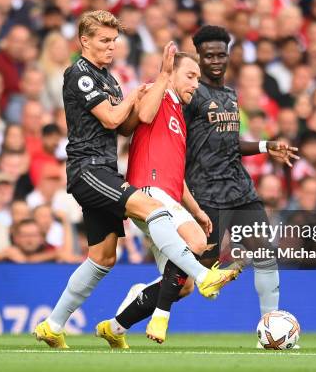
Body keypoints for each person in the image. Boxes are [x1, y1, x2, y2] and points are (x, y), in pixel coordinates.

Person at [33, 11, 239, 350]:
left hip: (107, 171)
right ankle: (203, 275)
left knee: (103, 258)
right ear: (85, 41)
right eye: (104, 40)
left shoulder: (109, 80)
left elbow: (128, 127)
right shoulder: (80, 74)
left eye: (114, 41)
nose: (111, 47)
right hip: (88, 169)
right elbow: (113, 118)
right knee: (151, 207)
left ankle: (53, 326)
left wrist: (135, 98)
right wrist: (137, 94)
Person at [114, 25, 299, 349]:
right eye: (209, 55)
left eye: (221, 54)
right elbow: (161, 123)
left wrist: (264, 146)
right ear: (199, 58)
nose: (215, 60)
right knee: (190, 277)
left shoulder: (229, 95)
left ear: (228, 56)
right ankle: (135, 307)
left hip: (239, 189)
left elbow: (226, 143)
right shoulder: (189, 93)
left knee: (266, 255)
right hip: (204, 192)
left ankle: (270, 333)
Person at [95, 47, 213, 347]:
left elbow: (177, 175)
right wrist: (162, 76)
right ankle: (161, 315)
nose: (195, 84)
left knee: (181, 286)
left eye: (198, 79)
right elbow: (144, 115)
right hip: (148, 191)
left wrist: (196, 209)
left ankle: (115, 327)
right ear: (171, 73)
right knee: (196, 242)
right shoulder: (157, 93)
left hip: (166, 194)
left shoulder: (179, 117)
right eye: (189, 75)